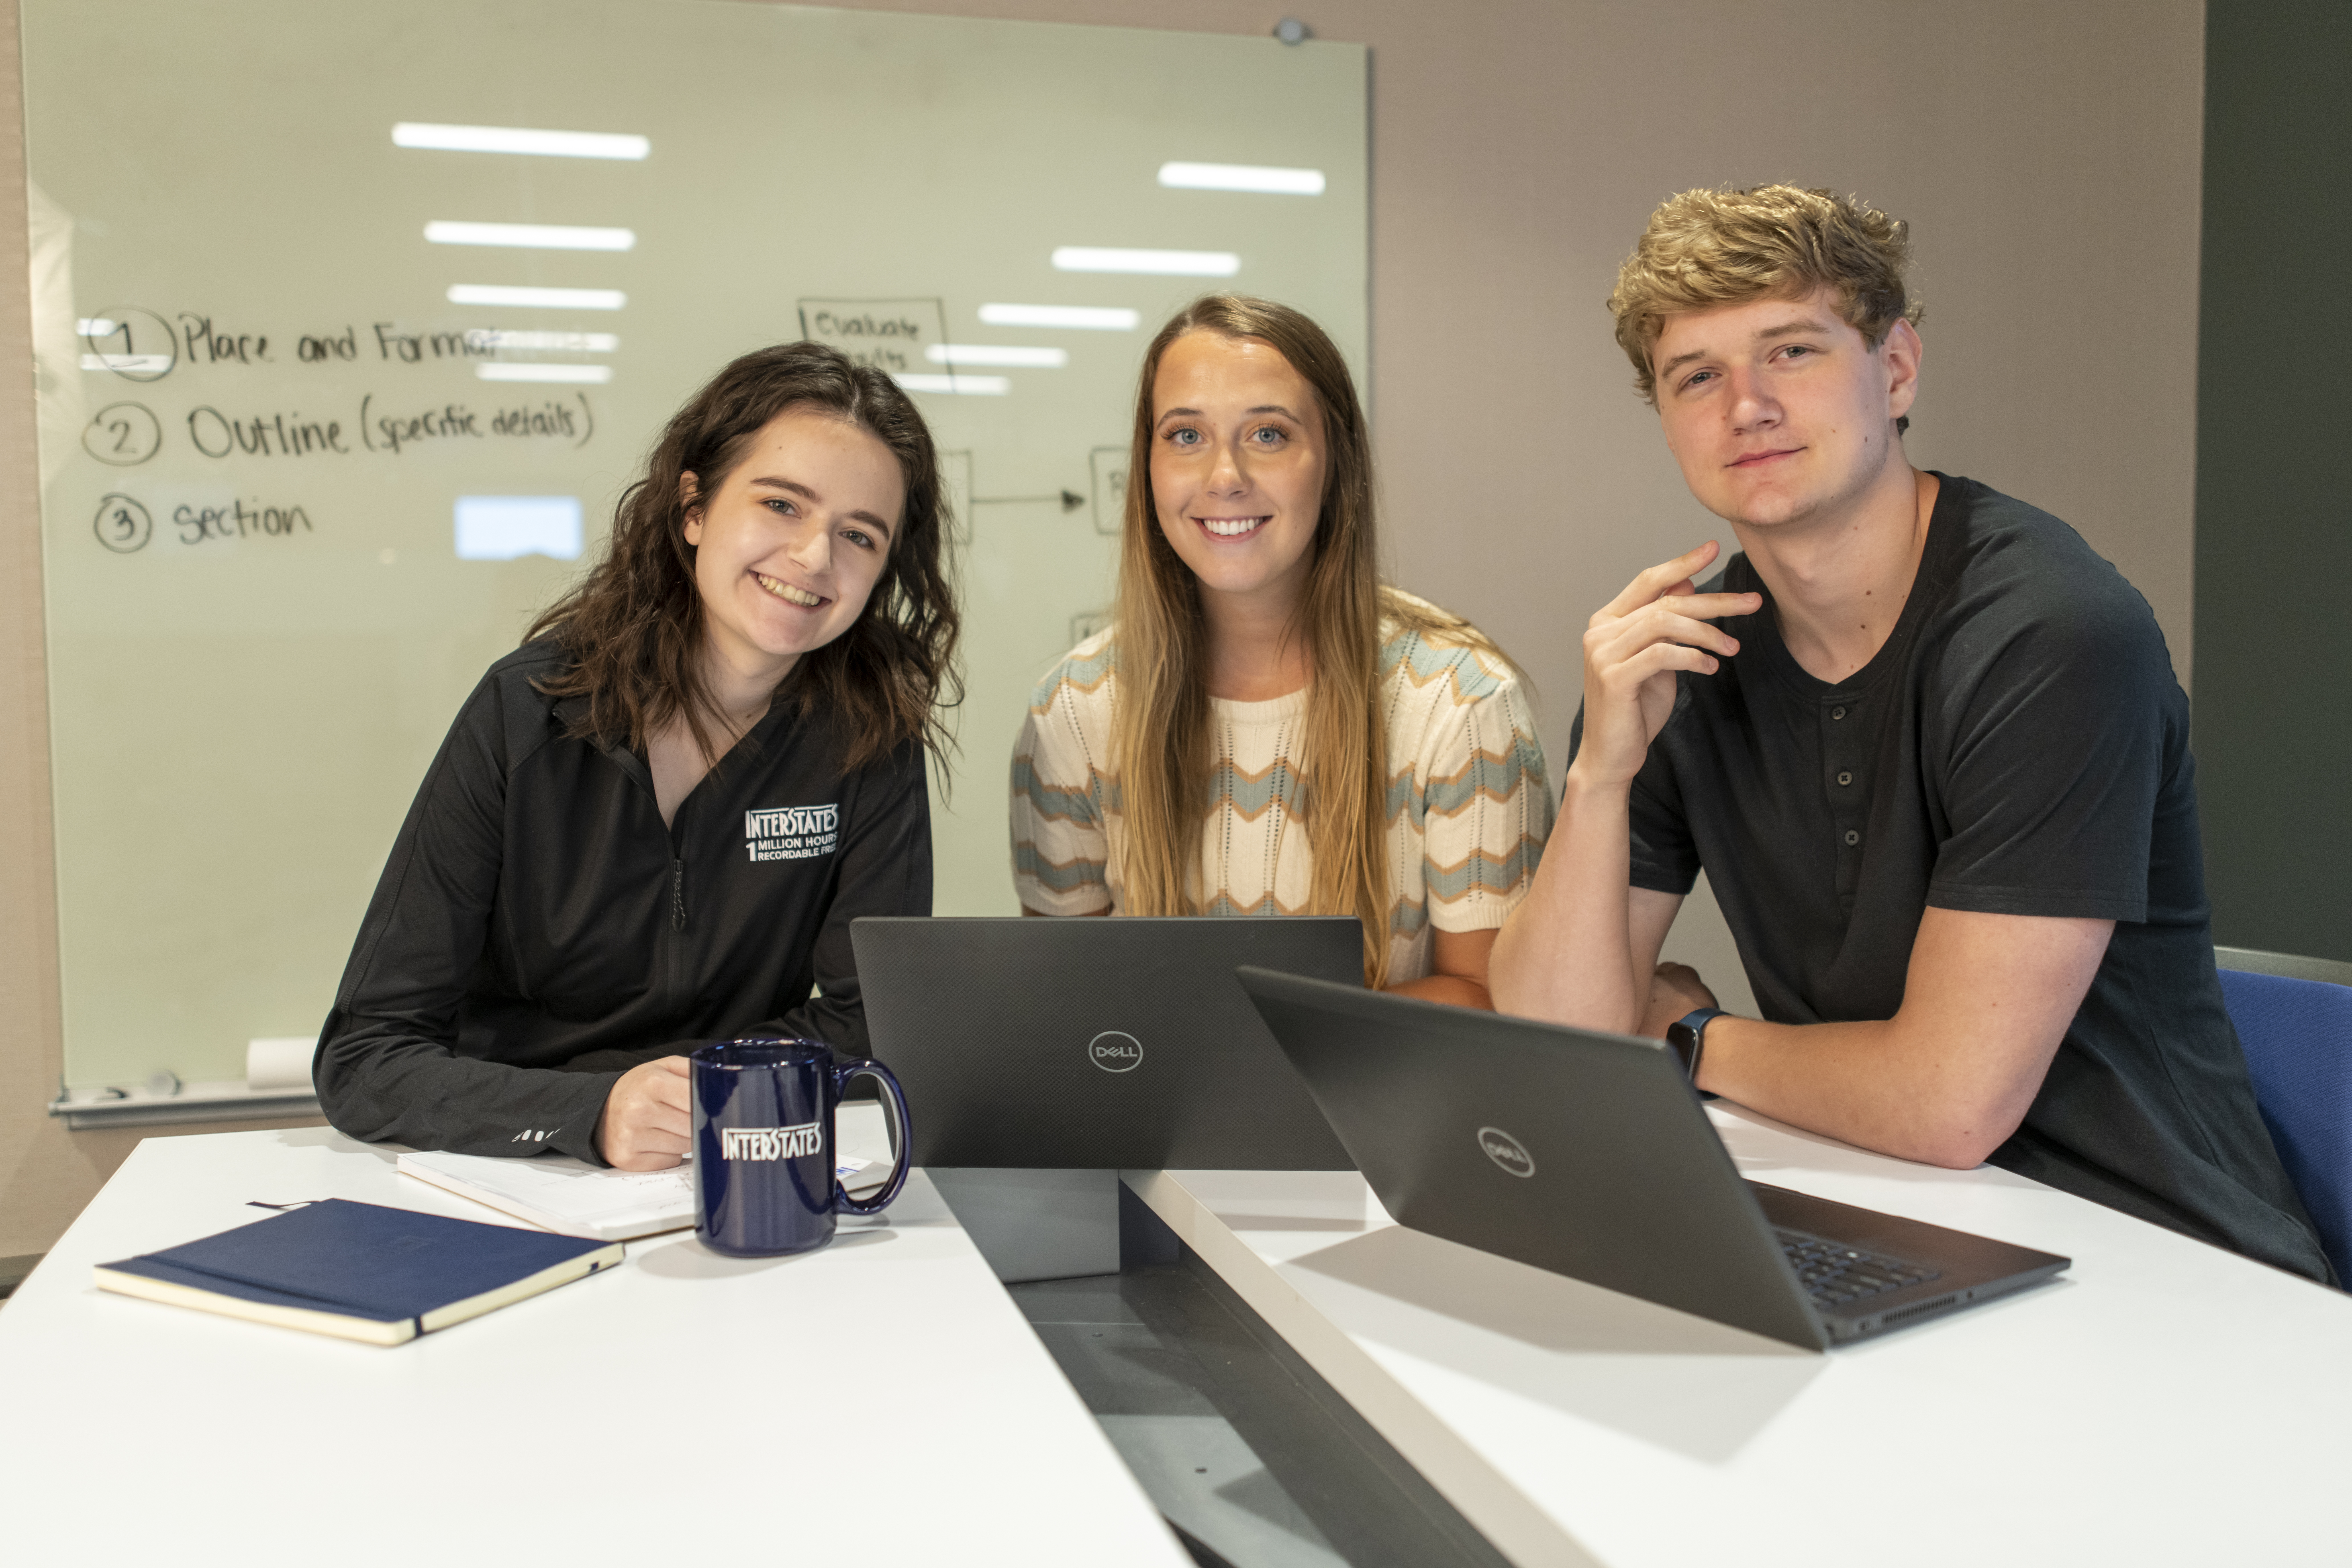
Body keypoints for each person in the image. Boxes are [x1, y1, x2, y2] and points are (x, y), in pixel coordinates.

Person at [1489, 185, 2329, 1280]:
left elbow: (1948, 1102)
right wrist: (1603, 770)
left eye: (1790, 352)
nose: (1745, 406)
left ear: (1893, 371)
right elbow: (1557, 1039)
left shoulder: (2048, 633)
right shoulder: (1685, 660)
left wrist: (1688, 1037)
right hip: (1896, 1216)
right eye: (1696, 375)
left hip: (2162, 1260)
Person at [316, 343, 959, 1171]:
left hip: (735, 1159)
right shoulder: (527, 713)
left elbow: (871, 1026)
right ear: (693, 508)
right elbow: (365, 1057)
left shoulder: (871, 739)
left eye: (859, 536)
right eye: (782, 505)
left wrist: (691, 1094)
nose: (813, 558)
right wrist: (592, 1111)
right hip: (516, 1176)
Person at [1011, 295, 1551, 1002]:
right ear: (1148, 468)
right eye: (1185, 436)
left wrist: (1239, 1050)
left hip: (1378, 1112)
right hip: (1168, 1115)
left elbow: (1492, 1000)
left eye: (1268, 434)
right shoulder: (1073, 712)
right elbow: (1071, 1005)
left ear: (1335, 463)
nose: (1225, 475)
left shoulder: (1460, 701)